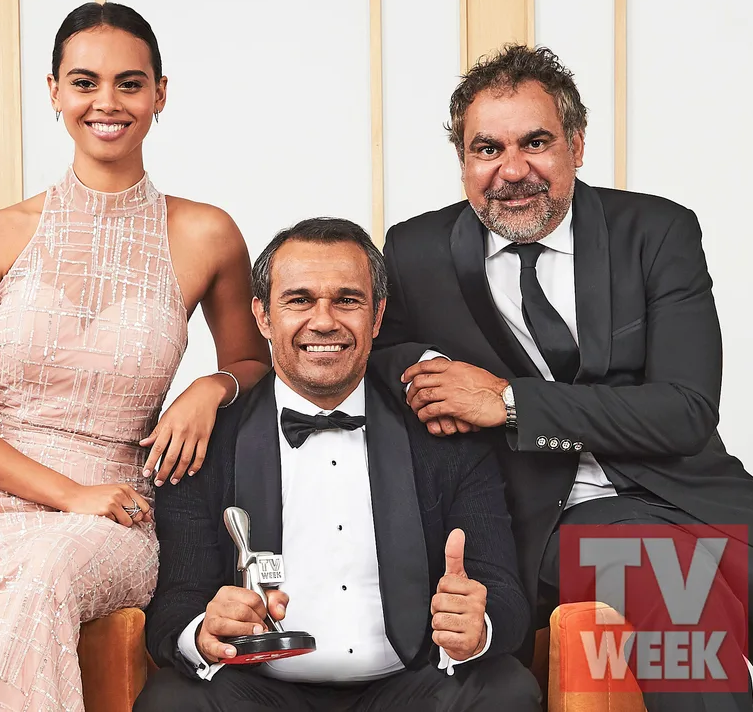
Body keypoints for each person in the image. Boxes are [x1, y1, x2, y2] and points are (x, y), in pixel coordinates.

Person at [0, 2, 270, 710]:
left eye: (129, 83)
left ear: (160, 94)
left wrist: (211, 384)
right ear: (53, 91)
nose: (106, 103)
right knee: (23, 570)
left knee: (45, 567)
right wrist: (66, 495)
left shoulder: (207, 234)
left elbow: (254, 362)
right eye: (84, 82)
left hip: (118, 513)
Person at [371, 44, 753, 712]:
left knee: (698, 564)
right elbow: (377, 349)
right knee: (675, 585)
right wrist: (427, 371)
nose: (512, 171)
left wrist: (507, 402)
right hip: (546, 517)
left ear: (577, 145)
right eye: (486, 149)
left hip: (689, 496)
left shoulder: (657, 232)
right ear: (463, 160)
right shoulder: (415, 250)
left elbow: (686, 411)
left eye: (535, 143)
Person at [135, 218, 541, 712]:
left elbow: (502, 589)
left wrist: (477, 628)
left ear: (377, 316)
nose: (324, 321)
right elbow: (175, 603)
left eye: (347, 300)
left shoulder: (444, 431)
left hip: (411, 687)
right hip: (257, 692)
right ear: (262, 315)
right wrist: (204, 633)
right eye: (299, 300)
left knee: (507, 690)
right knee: (172, 701)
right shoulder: (205, 439)